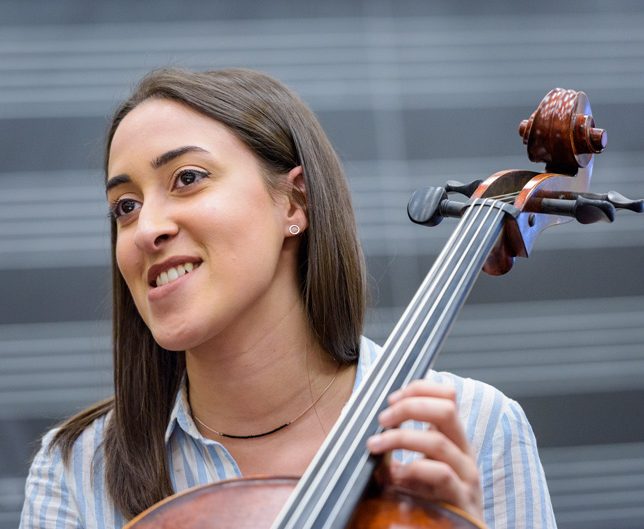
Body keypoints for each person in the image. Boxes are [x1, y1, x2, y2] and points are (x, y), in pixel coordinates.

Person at [19, 68, 557, 529]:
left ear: (294, 201)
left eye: (187, 178)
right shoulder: (78, 470)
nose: (146, 228)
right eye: (125, 206)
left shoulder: (474, 429)